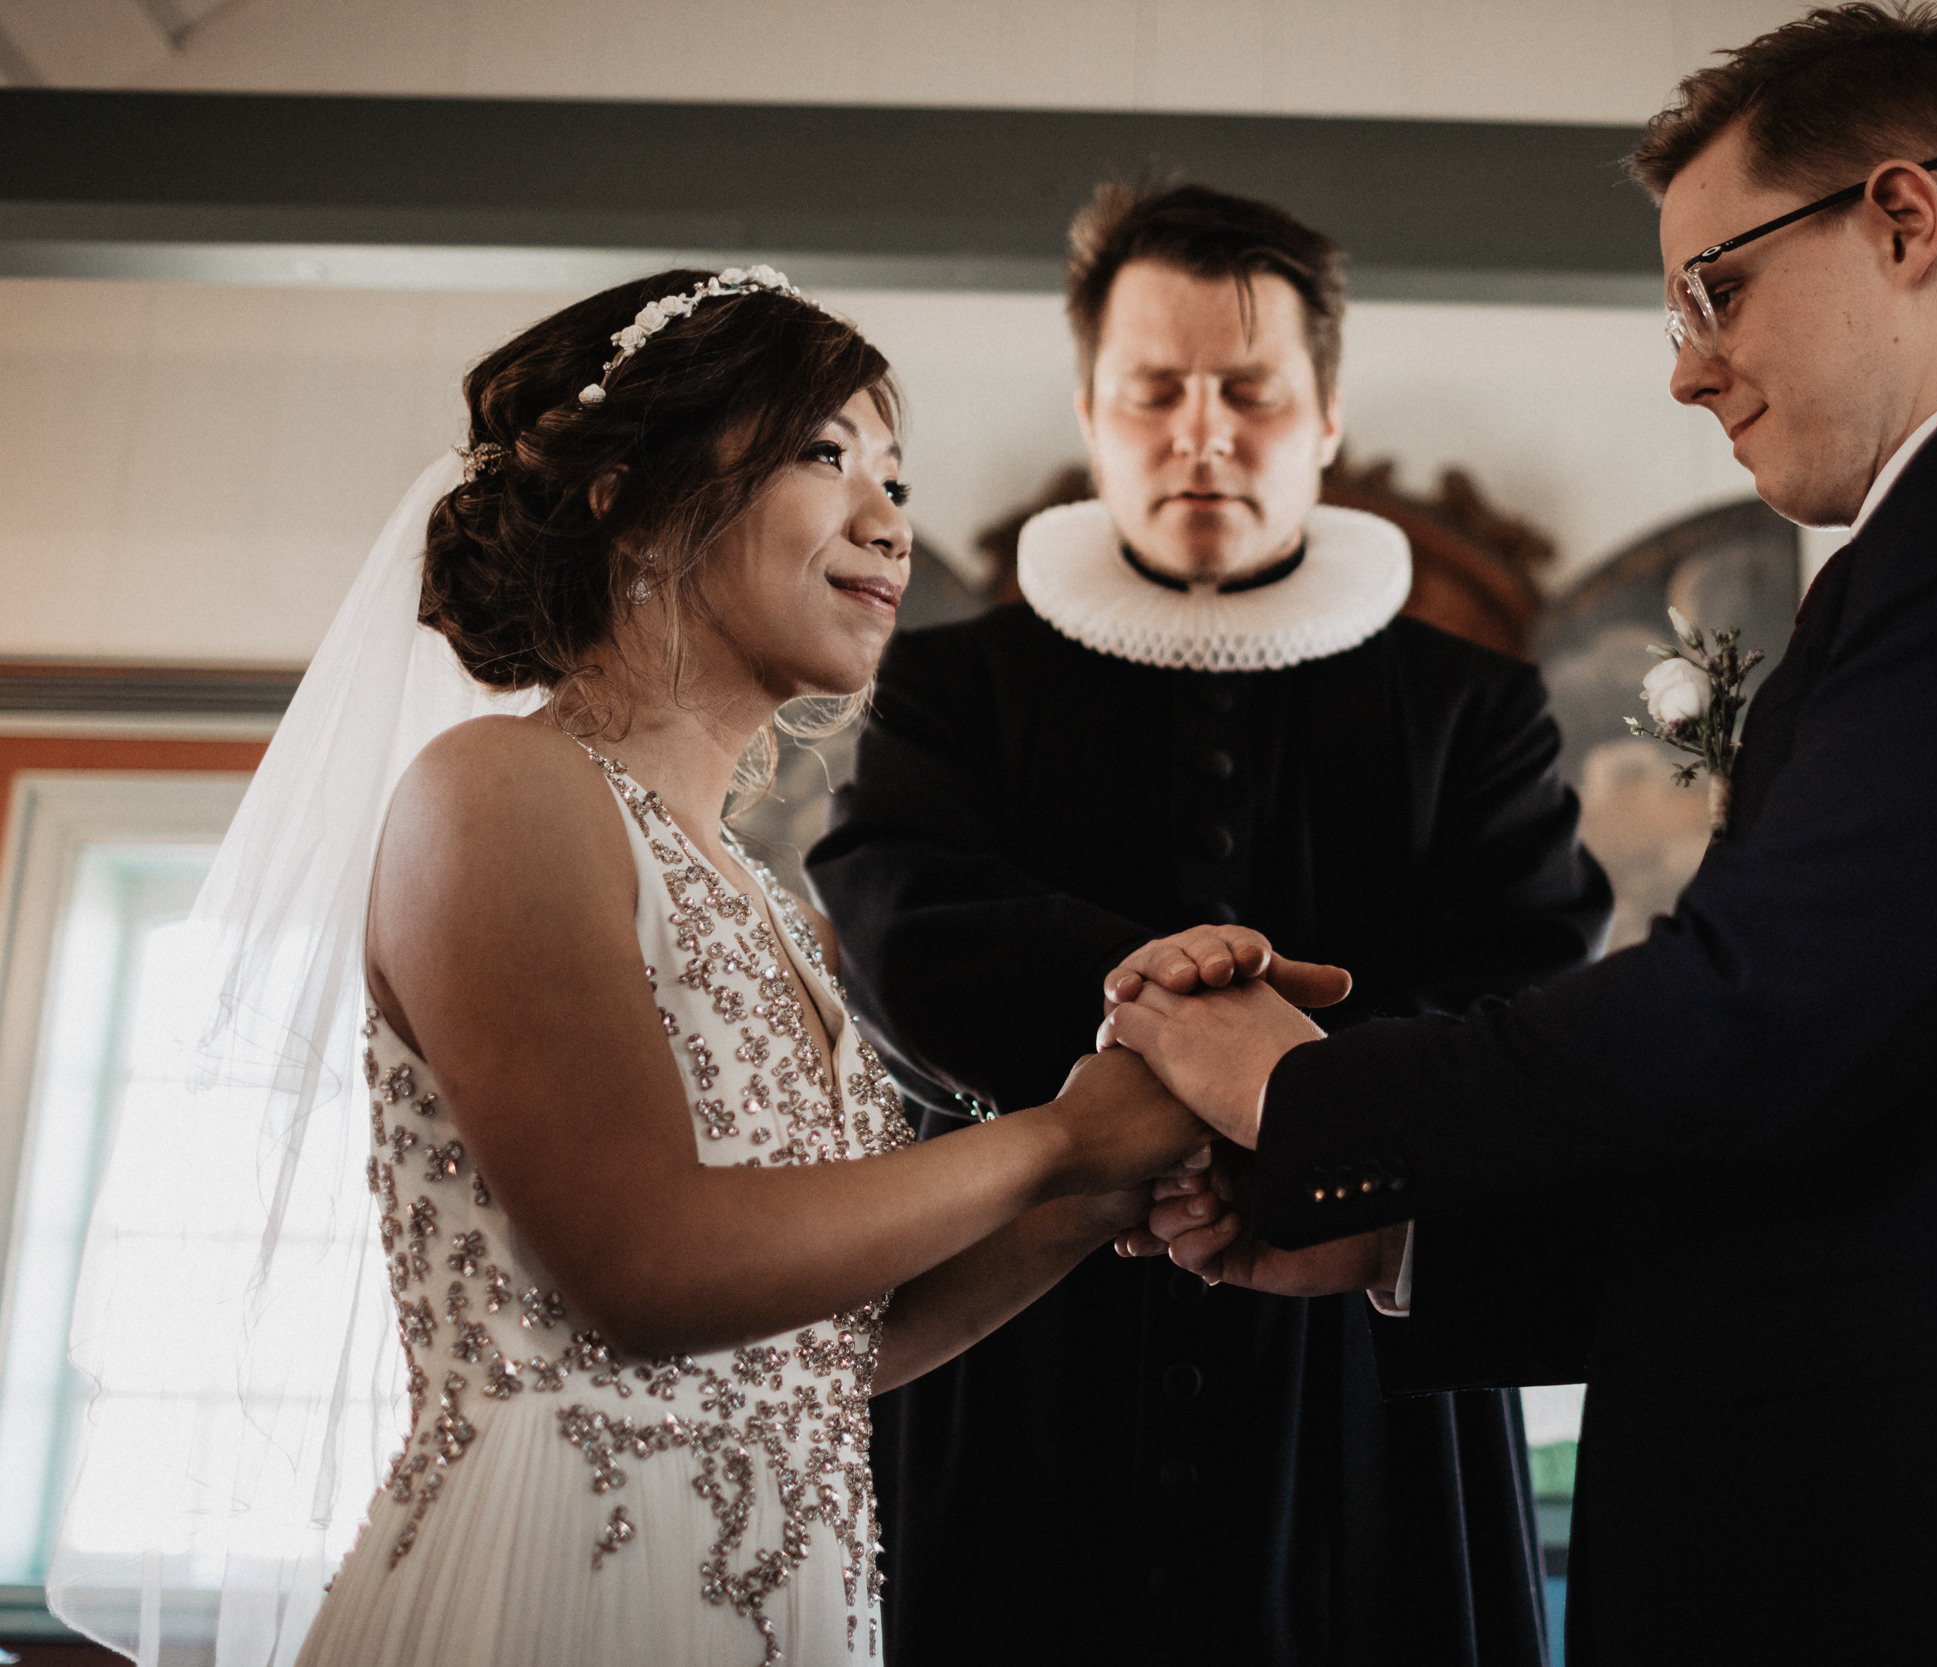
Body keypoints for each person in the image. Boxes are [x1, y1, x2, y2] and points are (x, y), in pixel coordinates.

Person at [1108, 9, 1937, 1665]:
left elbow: (1768, 1015)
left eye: (1719, 287)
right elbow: (1855, 1135)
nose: (1686, 365)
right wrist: (1398, 1236)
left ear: (1906, 219)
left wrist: (1300, 1090)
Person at [62, 266, 1216, 1667]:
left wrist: (1109, 1174)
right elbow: (649, 1266)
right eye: (826, 453)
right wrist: (1051, 1143)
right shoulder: (503, 790)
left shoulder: (772, 907)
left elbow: (823, 1349)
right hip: (557, 1588)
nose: (889, 523)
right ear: (630, 498)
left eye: (898, 480)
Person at [811, 186, 1611, 1665]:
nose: (1200, 433)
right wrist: (1168, 1009)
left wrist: (1292, 1109)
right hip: (1020, 1342)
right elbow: (897, 917)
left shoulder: (1471, 707)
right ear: (1091, 409)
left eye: (1248, 390)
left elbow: (1530, 983)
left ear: (1322, 417)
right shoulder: (950, 683)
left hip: (1369, 1359)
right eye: (1154, 391)